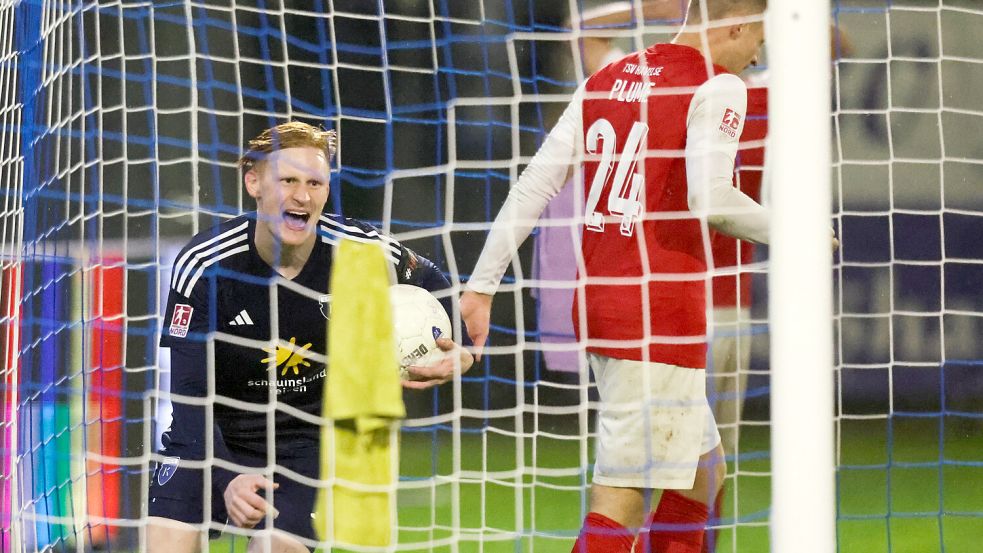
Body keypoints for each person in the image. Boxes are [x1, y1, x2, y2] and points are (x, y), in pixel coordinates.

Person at [461, 1, 780, 551]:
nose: (760, 52)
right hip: (659, 316)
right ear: (735, 25)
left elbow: (534, 185)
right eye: (760, 36)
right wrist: (795, 233)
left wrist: (482, 284)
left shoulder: (609, 75)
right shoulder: (720, 84)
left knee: (705, 473)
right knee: (621, 499)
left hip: (605, 306)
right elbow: (714, 200)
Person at [146, 121, 474, 553]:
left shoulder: (358, 249)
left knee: (274, 548)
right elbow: (188, 397)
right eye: (288, 180)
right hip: (212, 438)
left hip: (308, 445)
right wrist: (227, 477)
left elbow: (436, 285)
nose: (302, 195)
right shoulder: (206, 264)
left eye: (315, 182)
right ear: (253, 182)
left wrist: (463, 353)